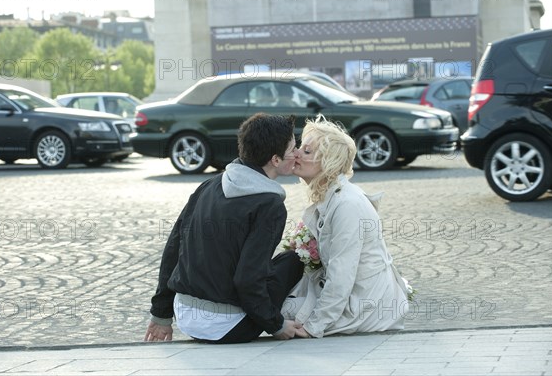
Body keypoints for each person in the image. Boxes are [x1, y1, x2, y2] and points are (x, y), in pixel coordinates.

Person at [145, 113, 305, 344]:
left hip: (186, 317)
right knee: (293, 260)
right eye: (293, 148)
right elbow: (247, 279)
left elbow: (173, 249)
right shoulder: (270, 205)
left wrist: (161, 315)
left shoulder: (209, 185)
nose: (298, 153)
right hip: (229, 328)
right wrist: (276, 325)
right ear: (276, 160)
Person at [284, 117, 409, 338]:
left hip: (364, 306)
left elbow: (342, 272)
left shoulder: (346, 205)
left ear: (328, 162)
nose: (297, 155)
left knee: (272, 313)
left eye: (307, 151)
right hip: (353, 297)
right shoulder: (333, 196)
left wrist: (314, 326)